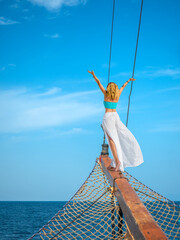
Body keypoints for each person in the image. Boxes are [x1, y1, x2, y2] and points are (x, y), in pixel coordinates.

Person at [88, 70, 144, 172]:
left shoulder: (106, 94)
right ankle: (116, 162)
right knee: (117, 138)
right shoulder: (117, 94)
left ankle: (117, 161)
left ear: (109, 88)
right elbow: (123, 87)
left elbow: (98, 83)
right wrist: (128, 81)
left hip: (108, 117)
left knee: (111, 140)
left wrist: (93, 75)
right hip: (116, 116)